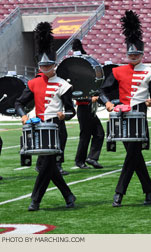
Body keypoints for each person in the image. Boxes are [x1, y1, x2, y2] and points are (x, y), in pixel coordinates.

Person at [99, 10, 151, 207]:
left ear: (142, 54)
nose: (133, 56)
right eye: (130, 53)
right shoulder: (117, 71)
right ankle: (149, 191)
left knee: (132, 155)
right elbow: (103, 91)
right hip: (122, 117)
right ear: (127, 53)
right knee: (134, 155)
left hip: (140, 116)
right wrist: (107, 103)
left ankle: (119, 193)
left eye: (136, 53)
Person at [15, 22, 76, 211]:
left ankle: (35, 200)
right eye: (42, 65)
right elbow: (18, 103)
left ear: (54, 65)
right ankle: (68, 195)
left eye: (48, 65)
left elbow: (71, 111)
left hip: (57, 128)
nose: (45, 68)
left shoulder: (63, 85)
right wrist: (24, 116)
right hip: (40, 129)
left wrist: (63, 115)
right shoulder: (33, 83)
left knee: (45, 165)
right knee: (48, 166)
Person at [71, 39, 104, 169]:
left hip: (89, 109)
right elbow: (76, 95)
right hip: (83, 108)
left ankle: (92, 158)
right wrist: (90, 100)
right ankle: (80, 161)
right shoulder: (74, 76)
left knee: (99, 133)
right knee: (85, 135)